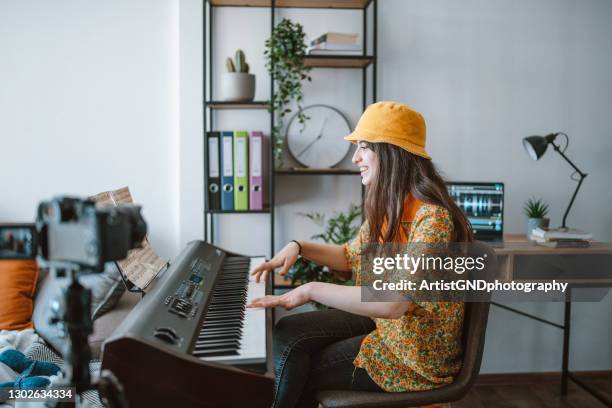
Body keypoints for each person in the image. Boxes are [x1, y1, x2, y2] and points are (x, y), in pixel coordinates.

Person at [248, 101, 473, 408]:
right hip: (388, 330)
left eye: (364, 147)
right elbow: (349, 256)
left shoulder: (432, 219)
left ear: (392, 153)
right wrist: (297, 246)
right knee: (289, 331)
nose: (355, 158)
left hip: (412, 357)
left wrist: (309, 290)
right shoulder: (391, 206)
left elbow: (394, 303)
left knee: (297, 370)